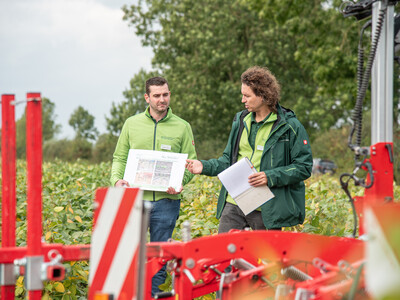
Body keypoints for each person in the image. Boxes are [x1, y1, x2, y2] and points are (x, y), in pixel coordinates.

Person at [186, 66, 312, 232]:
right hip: (234, 203)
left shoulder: (290, 126)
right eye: (242, 95)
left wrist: (270, 176)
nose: (242, 100)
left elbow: (304, 167)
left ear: (263, 95)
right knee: (224, 253)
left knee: (263, 257)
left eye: (247, 96)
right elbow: (228, 161)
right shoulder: (240, 121)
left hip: (267, 209)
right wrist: (203, 166)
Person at [110, 76, 197, 296]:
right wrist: (116, 180)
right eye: (157, 95)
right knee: (130, 254)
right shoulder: (132, 124)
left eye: (165, 94)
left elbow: (190, 164)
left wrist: (179, 183)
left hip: (167, 202)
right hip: (135, 200)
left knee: (160, 257)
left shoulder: (183, 126)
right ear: (147, 97)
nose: (162, 100)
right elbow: (119, 157)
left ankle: (154, 296)